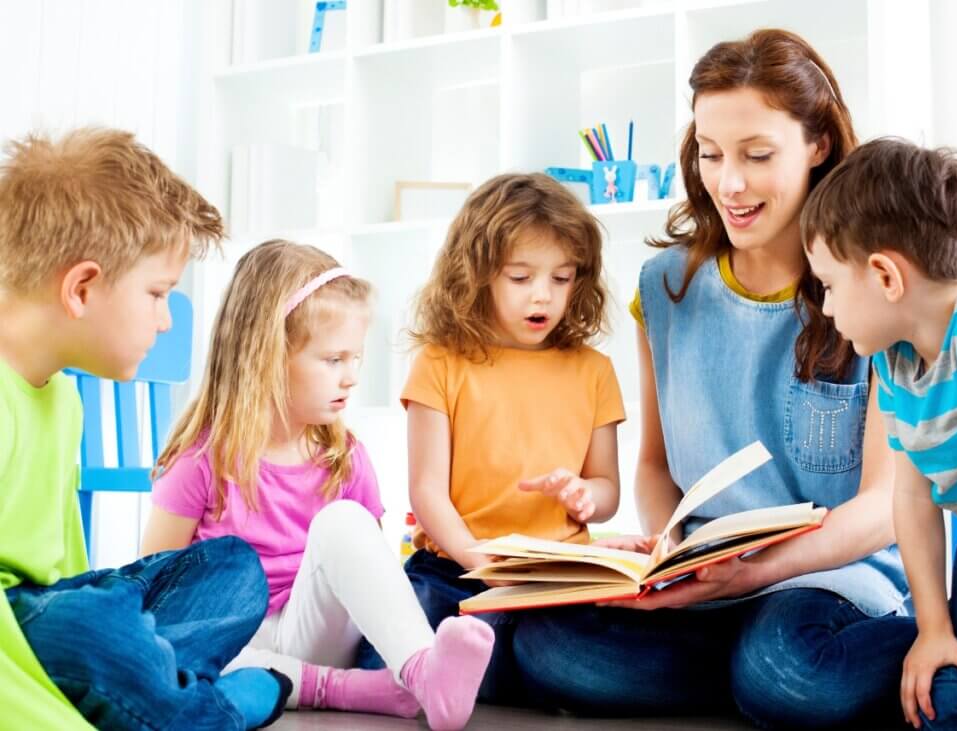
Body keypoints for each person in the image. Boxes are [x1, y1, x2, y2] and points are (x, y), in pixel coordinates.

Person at [513, 30, 915, 729]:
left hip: (836, 575)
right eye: (709, 153)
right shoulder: (663, 288)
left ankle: (937, 650)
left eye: (757, 155)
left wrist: (758, 571)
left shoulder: (872, 287)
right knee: (550, 645)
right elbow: (655, 467)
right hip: (709, 579)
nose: (728, 183)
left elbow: (884, 505)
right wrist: (667, 545)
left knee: (785, 670)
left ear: (818, 144)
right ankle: (756, 677)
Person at [0, 128, 291, 730]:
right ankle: (213, 706)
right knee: (93, 626)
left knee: (232, 569)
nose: (165, 321)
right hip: (30, 632)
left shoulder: (61, 399)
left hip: (62, 624)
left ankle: (152, 691)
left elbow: (69, 574)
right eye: (158, 294)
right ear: (81, 287)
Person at [142, 239, 494, 731]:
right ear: (266, 357)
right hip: (235, 644)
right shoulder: (202, 460)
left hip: (314, 632)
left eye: (355, 358)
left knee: (345, 521)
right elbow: (154, 589)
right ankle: (341, 689)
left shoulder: (344, 459)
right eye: (333, 360)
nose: (351, 378)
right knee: (172, 642)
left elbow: (368, 575)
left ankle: (422, 669)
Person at [359, 172, 625, 702]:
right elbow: (427, 491)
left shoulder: (593, 370)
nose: (543, 296)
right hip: (454, 569)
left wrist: (584, 496)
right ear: (477, 275)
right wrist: (483, 564)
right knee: (378, 657)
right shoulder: (441, 361)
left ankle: (496, 667)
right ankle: (503, 667)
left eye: (562, 278)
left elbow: (607, 490)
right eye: (520, 277)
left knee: (562, 651)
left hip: (554, 579)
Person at [802, 137, 957, 730]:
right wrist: (932, 629)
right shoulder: (892, 361)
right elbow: (914, 494)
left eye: (827, 285)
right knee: (945, 709)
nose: (825, 308)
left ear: (884, 276)